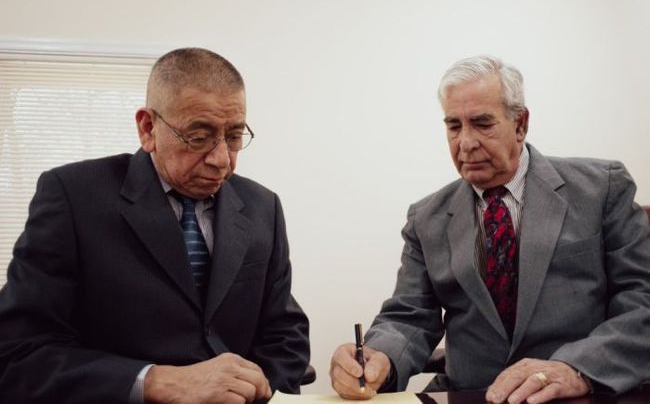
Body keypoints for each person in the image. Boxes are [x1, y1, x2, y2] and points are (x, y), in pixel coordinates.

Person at [330, 55, 650, 404]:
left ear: (520, 124)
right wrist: (379, 358)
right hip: (472, 395)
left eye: (482, 124)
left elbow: (641, 305)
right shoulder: (426, 219)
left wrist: (576, 370)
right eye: (454, 126)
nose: (465, 143)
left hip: (578, 393)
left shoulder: (601, 189)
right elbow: (409, 317)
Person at [0, 47, 310, 403]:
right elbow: (19, 353)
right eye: (198, 137)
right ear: (148, 128)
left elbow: (287, 337)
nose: (222, 160)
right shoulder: (73, 197)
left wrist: (260, 384)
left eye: (235, 136)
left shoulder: (262, 207)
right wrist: (155, 382)